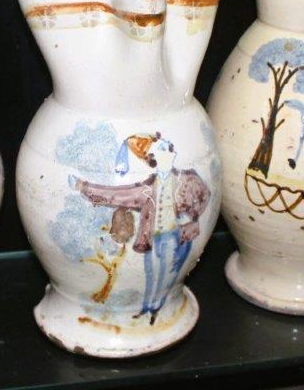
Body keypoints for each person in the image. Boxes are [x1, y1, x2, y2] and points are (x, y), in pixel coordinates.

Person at [69, 133, 210, 324]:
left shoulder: (186, 179)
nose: (167, 153)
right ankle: (146, 310)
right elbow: (119, 195)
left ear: (173, 155)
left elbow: (204, 193)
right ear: (153, 158)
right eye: (161, 150)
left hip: (174, 237)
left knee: (166, 276)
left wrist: (192, 218)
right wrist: (83, 186)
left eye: (168, 149)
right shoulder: (147, 188)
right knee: (152, 276)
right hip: (153, 238)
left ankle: (157, 310)